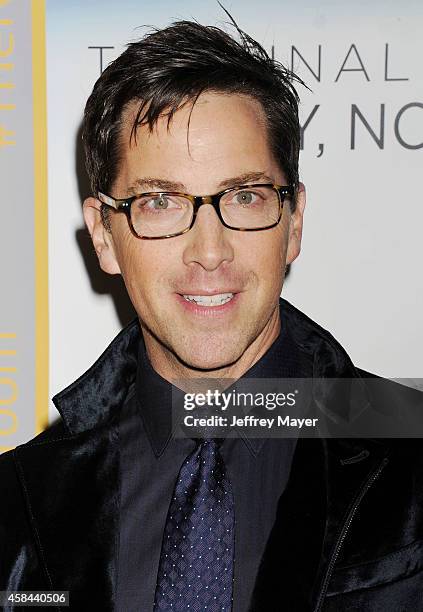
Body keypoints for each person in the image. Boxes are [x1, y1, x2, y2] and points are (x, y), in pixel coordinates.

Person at [1, 17, 423, 612]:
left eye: (244, 196)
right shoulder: (17, 502)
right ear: (104, 236)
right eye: (160, 201)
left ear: (294, 222)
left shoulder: (408, 445)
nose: (209, 252)